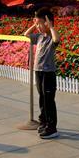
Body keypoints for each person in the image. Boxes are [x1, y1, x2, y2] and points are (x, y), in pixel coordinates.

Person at [23, 8, 60, 139]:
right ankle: (44, 122)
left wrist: (51, 26)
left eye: (40, 24)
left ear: (47, 23)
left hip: (48, 73)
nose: (38, 27)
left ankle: (52, 127)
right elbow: (25, 35)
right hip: (38, 71)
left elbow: (57, 40)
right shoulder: (39, 37)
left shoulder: (50, 37)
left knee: (49, 100)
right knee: (42, 98)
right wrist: (35, 24)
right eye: (37, 24)